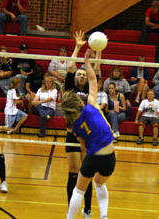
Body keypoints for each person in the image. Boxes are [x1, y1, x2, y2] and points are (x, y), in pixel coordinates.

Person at [62, 48, 116, 219]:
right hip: (109, 157)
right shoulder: (92, 105)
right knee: (99, 185)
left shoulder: (75, 128)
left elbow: (83, 146)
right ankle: (104, 215)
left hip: (92, 156)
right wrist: (87, 61)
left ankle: (70, 218)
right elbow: (93, 79)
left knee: (79, 190)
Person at [64, 31, 101, 218]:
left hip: (88, 136)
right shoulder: (70, 89)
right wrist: (78, 47)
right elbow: (71, 66)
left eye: (83, 74)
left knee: (86, 173)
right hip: (71, 134)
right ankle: (71, 207)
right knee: (72, 172)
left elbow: (94, 72)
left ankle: (87, 209)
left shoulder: (89, 90)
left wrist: (99, 51)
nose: (81, 75)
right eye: (78, 74)